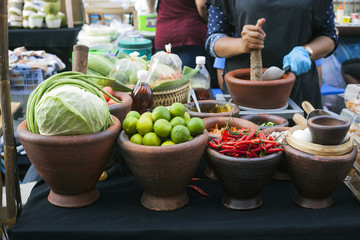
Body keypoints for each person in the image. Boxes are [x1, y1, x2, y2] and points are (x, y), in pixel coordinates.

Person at [205, 0, 339, 109]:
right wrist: (242, 44)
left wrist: (307, 51)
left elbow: (329, 36)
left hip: (299, 87)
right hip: (245, 88)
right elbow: (214, 41)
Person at [147, 0, 208, 69]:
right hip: (189, 32)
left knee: (164, 77)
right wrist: (209, 21)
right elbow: (202, 5)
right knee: (188, 77)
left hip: (164, 32)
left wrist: (151, 10)